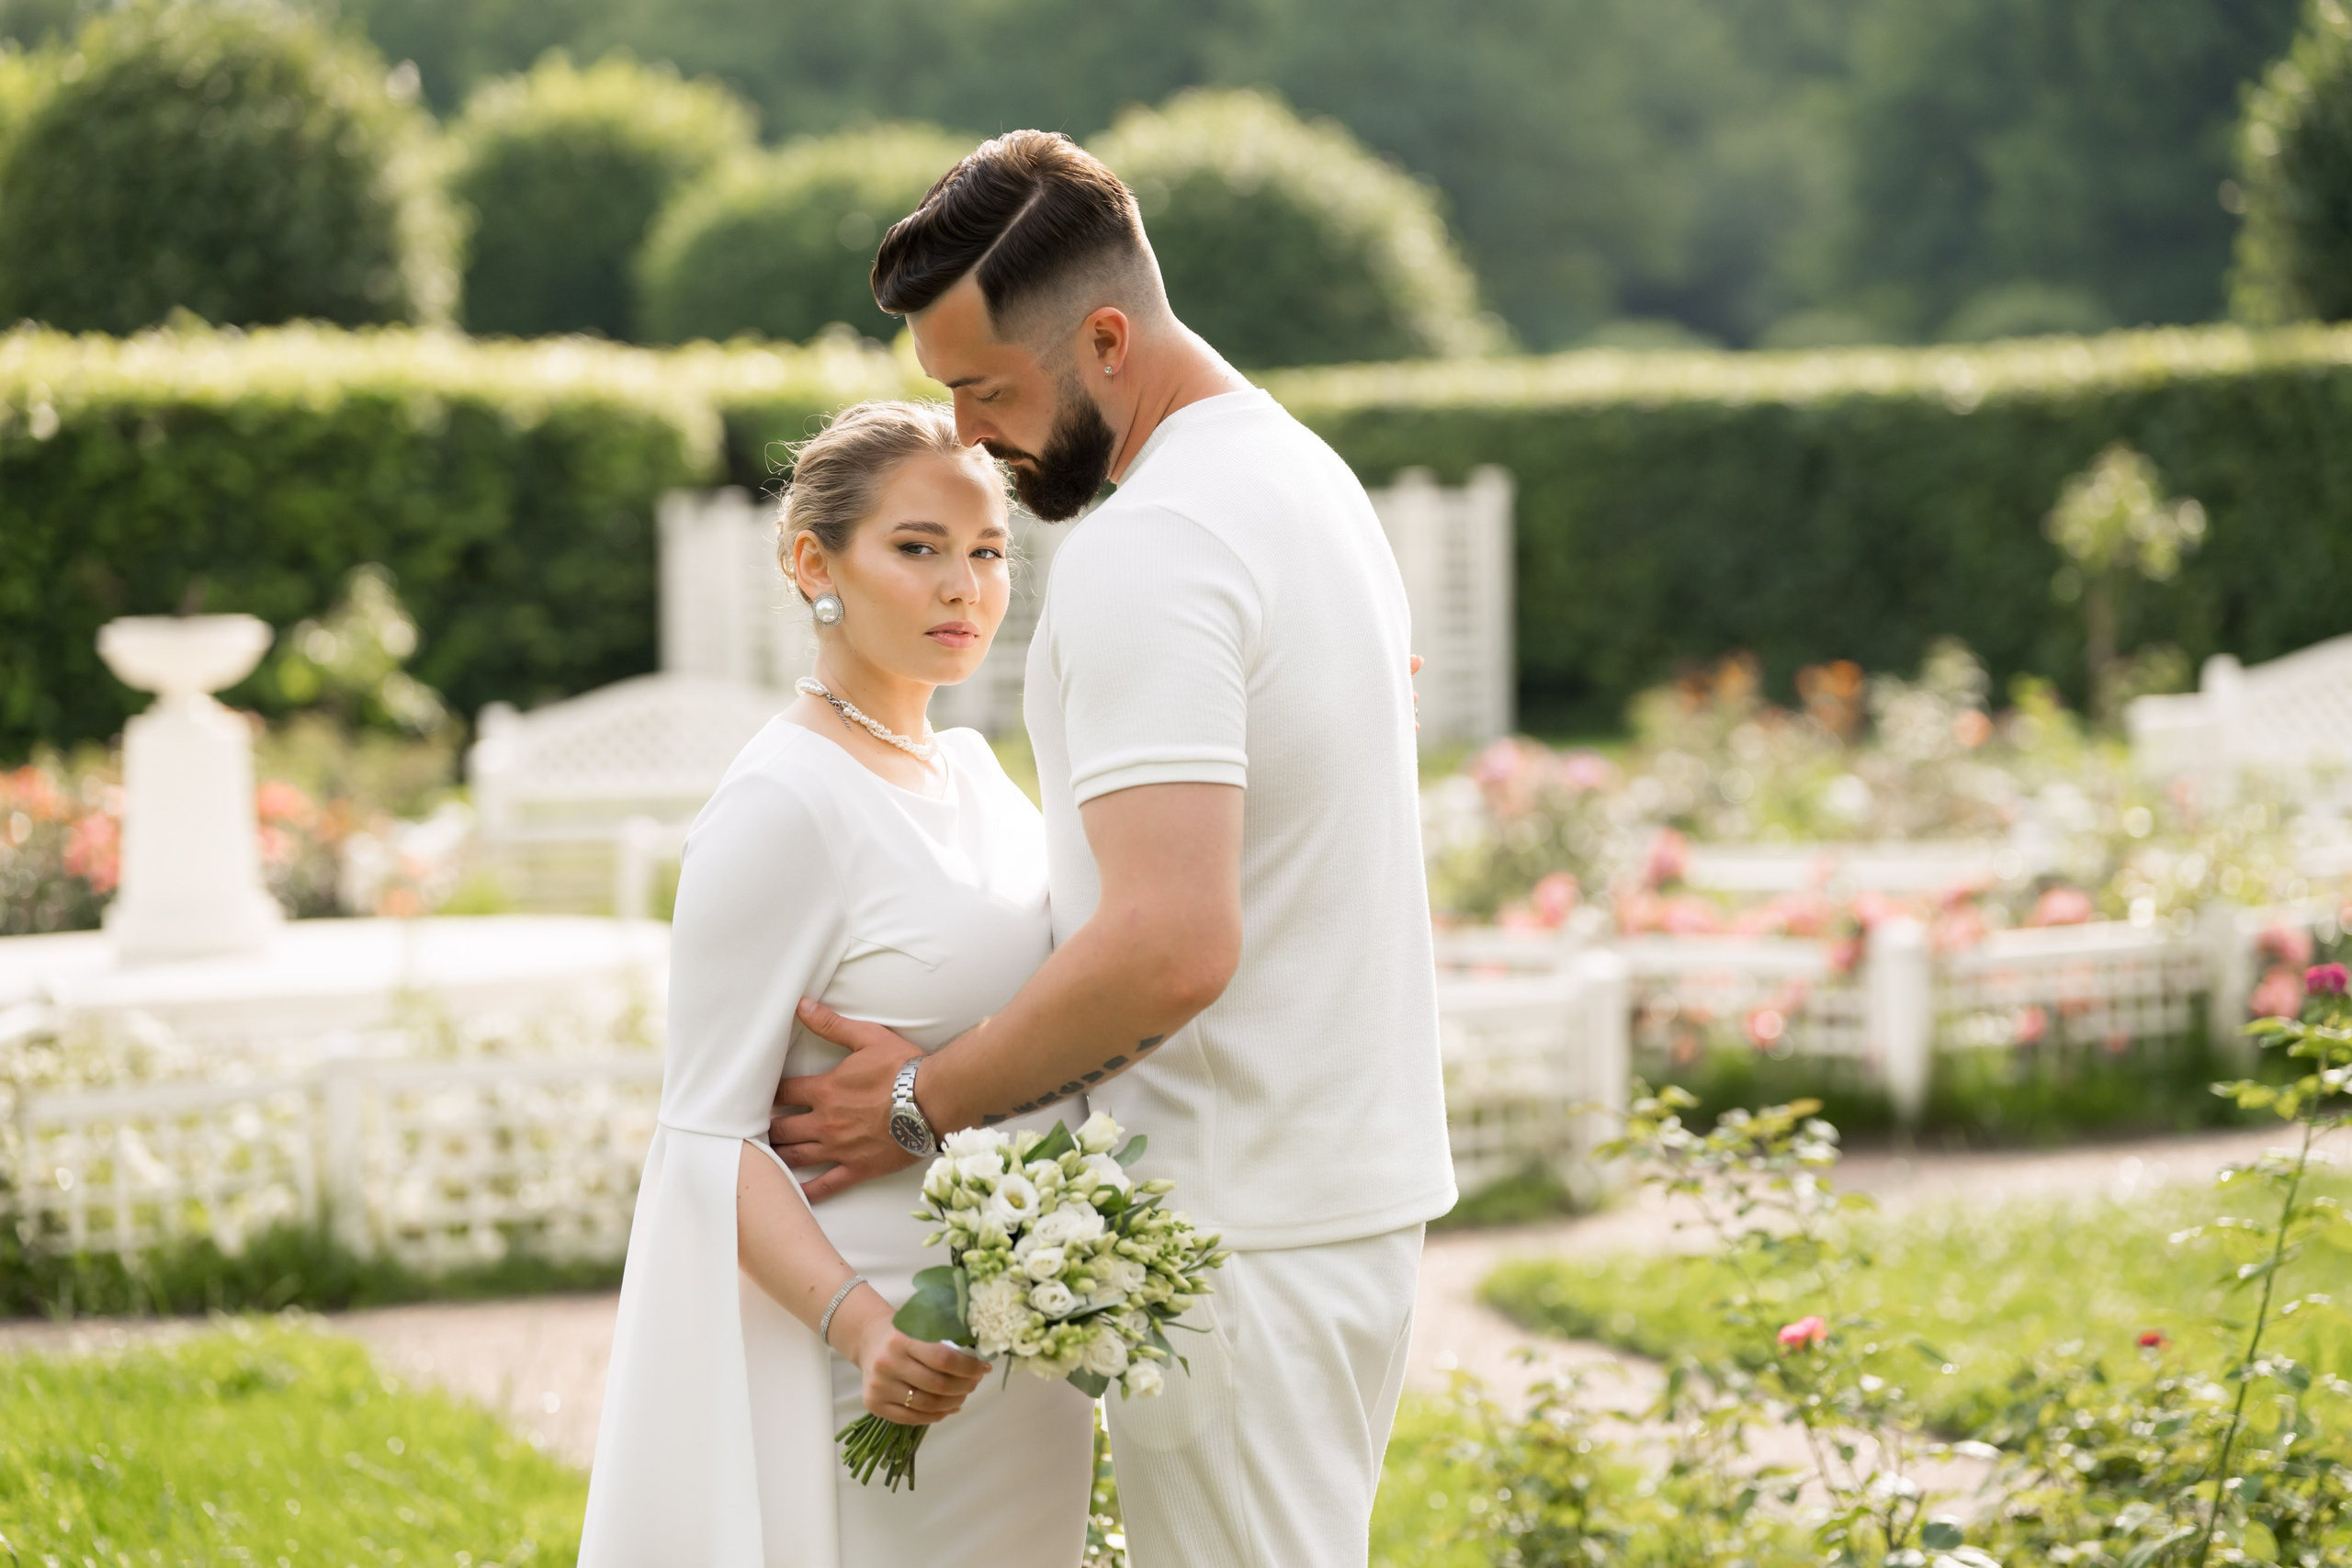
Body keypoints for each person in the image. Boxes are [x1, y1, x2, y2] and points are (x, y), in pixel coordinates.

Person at [775, 130, 1456, 1568]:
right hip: (1329, 1196)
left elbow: (1170, 940)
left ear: (1103, 337)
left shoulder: (1158, 547)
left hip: (1240, 1230)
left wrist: (915, 1096)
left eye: (985, 388)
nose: (965, 436)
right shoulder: (1305, 477)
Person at [578, 401, 1094, 1568]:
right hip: (878, 1377)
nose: (965, 587)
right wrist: (865, 1328)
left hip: (1026, 1374)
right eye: (918, 549)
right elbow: (706, 1139)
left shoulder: (969, 770)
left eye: (987, 551)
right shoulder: (782, 806)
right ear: (817, 563)